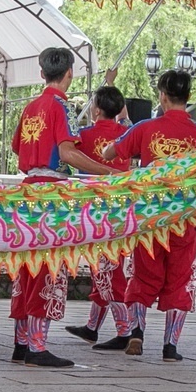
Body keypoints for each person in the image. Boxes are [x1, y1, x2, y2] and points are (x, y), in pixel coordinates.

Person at [102, 71, 196, 362]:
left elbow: (110, 152)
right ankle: (170, 346)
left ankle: (136, 332)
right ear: (188, 96)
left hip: (150, 218)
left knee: (143, 276)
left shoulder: (146, 128)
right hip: (184, 219)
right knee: (178, 280)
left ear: (162, 95)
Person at [10, 47, 118, 368]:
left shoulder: (30, 107)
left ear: (42, 74)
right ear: (69, 73)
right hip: (53, 193)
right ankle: (37, 346)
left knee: (26, 267)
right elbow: (68, 153)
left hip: (27, 190)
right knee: (49, 267)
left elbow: (19, 149)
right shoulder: (62, 106)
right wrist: (109, 173)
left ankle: (21, 343)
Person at [64, 74, 134, 349]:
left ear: (95, 109)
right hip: (123, 211)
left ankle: (124, 332)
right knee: (105, 270)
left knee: (106, 272)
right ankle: (92, 327)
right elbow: (125, 118)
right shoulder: (129, 133)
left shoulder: (84, 136)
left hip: (94, 213)